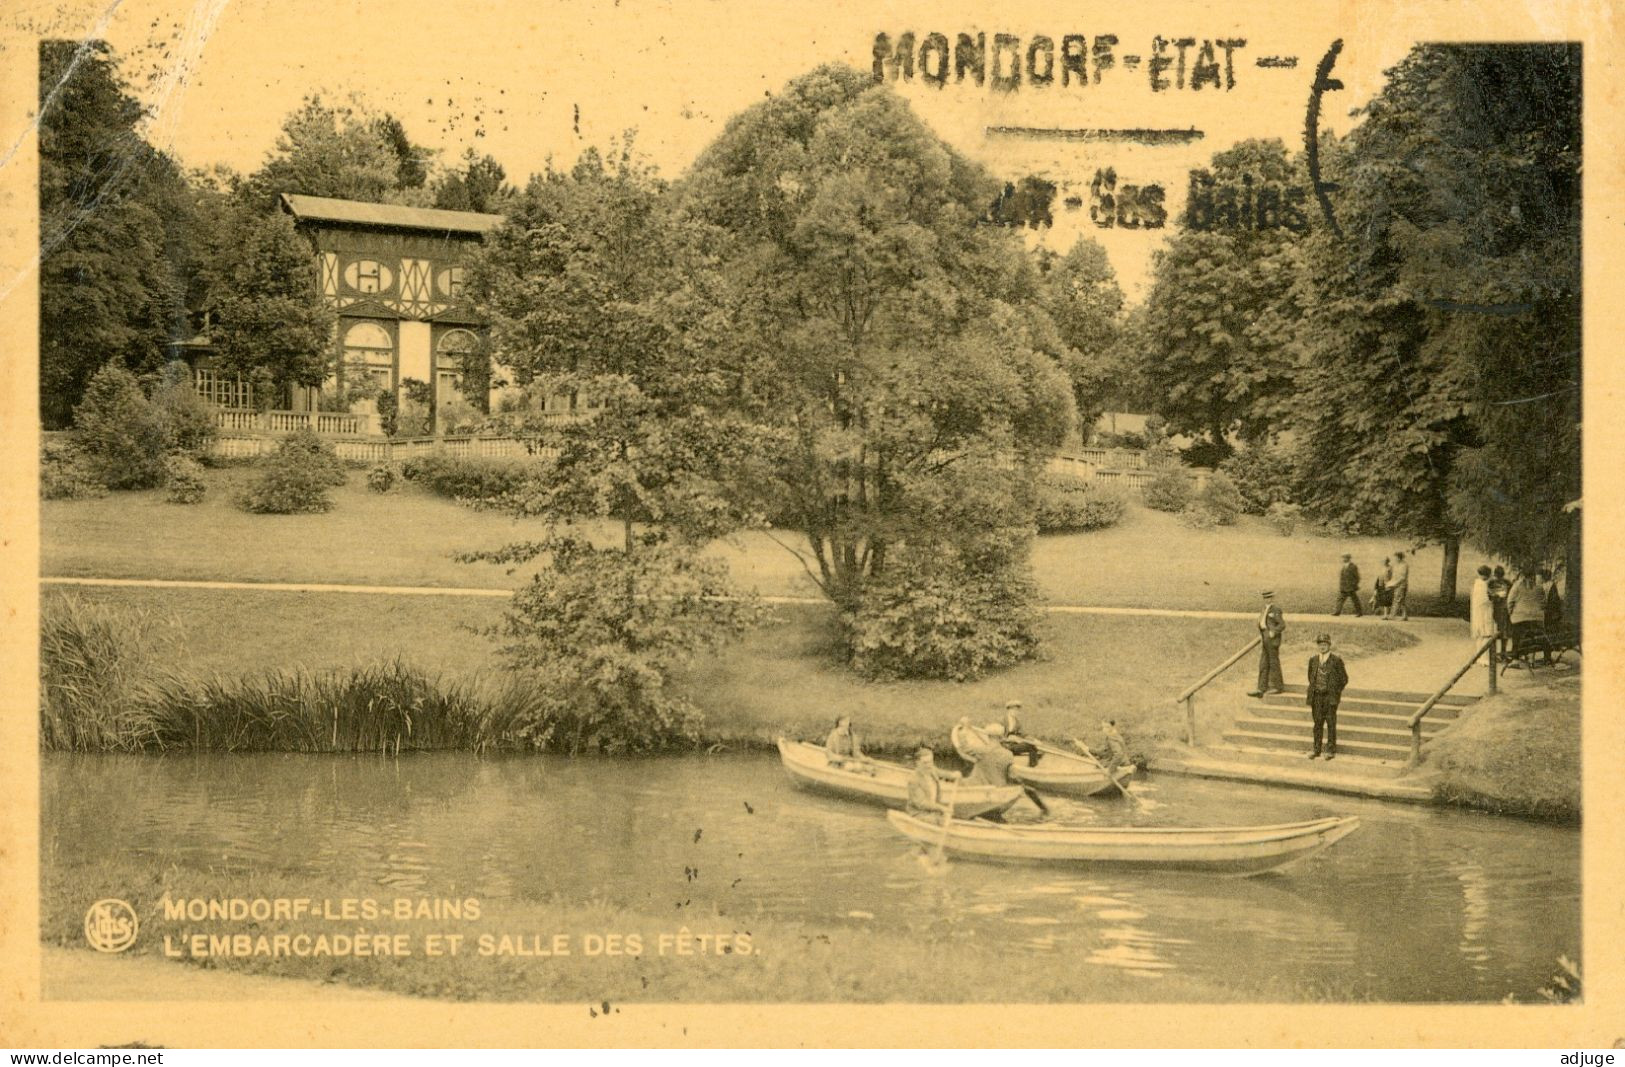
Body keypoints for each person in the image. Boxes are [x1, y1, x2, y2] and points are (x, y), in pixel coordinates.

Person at [964, 723, 1049, 816]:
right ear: (1001, 738)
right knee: (1023, 786)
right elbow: (1013, 775)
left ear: (988, 736)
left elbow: (963, 748)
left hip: (979, 790)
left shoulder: (979, 750)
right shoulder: (1008, 754)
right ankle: (1044, 808)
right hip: (998, 794)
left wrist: (965, 728)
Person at [1305, 632, 1348, 760]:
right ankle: (1316, 749)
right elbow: (1310, 677)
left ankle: (1330, 750)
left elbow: (1344, 679)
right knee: (1317, 724)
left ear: (1329, 645)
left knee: (1330, 724)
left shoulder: (1336, 660)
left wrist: (1335, 692)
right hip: (1316, 697)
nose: (1322, 647)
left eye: (1325, 644)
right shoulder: (1313, 660)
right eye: (1320, 644)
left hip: (1330, 698)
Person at [1248, 590, 1285, 697]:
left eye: (1269, 597)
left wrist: (1273, 632)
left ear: (1272, 598)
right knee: (1263, 663)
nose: (1267, 599)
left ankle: (1278, 687)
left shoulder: (1276, 609)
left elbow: (1282, 625)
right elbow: (1262, 623)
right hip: (1264, 637)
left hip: (1272, 639)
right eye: (1265, 598)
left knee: (1274, 662)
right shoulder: (1264, 609)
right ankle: (1261, 688)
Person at [906, 747, 959, 820]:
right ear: (918, 763)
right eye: (925, 763)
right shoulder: (914, 780)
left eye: (931, 761)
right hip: (919, 813)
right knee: (941, 820)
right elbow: (922, 804)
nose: (929, 765)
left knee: (950, 819)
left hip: (933, 810)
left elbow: (942, 773)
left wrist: (953, 775)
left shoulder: (931, 769)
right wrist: (941, 808)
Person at [1506, 571, 1546, 667]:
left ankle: (1515, 660)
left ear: (1523, 576)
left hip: (1520, 617)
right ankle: (1531, 660)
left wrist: (1511, 612)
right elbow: (1544, 603)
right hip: (1537, 619)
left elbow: (1510, 601)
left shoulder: (1517, 586)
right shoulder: (1539, 587)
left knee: (1517, 637)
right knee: (1532, 638)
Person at [999, 700, 1043, 767]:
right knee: (1031, 747)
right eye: (1014, 710)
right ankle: (1033, 765)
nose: (1016, 712)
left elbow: (1023, 734)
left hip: (1013, 745)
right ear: (1009, 710)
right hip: (1004, 746)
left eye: (1017, 710)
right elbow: (997, 736)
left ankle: (1032, 766)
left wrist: (1034, 740)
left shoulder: (1017, 722)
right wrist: (1008, 739)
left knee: (1033, 746)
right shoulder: (1002, 720)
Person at [1540, 568, 1565, 666]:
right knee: (1549, 634)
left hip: (1549, 616)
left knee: (1546, 635)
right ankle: (1547, 656)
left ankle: (1547, 657)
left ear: (1544, 577)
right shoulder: (1551, 585)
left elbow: (1550, 602)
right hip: (1553, 616)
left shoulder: (1547, 586)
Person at [1469, 565, 1496, 648]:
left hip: (1480, 611)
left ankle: (1481, 655)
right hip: (1484, 611)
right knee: (1485, 633)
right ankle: (1484, 657)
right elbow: (1487, 599)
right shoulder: (1483, 585)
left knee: (1481, 633)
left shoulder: (1477, 584)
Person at [1488, 566, 1512, 657]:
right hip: (1502, 610)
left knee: (1502, 631)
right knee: (1502, 631)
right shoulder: (1506, 583)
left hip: (1500, 610)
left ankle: (1501, 652)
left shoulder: (1492, 583)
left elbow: (1490, 595)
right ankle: (1502, 652)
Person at [1389, 551, 1410, 621]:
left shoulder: (1404, 565)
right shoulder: (1396, 565)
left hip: (1401, 585)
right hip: (1396, 584)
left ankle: (1393, 615)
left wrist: (1395, 583)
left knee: (1397, 599)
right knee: (1401, 600)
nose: (1394, 559)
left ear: (1399, 558)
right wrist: (1390, 583)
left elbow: (1402, 577)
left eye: (1396, 558)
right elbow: (1394, 575)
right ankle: (1405, 615)